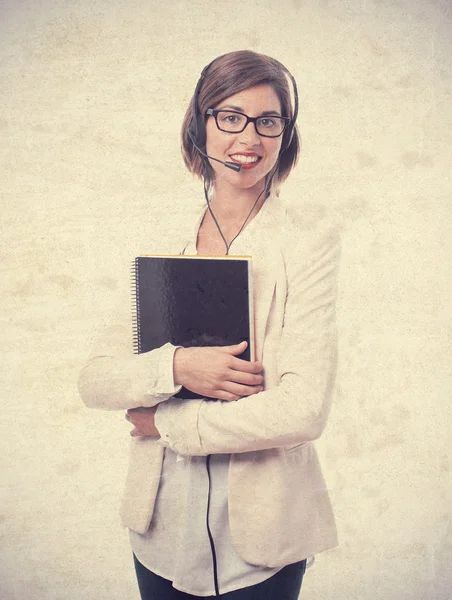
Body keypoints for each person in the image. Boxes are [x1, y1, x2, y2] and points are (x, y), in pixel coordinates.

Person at [78, 50, 341, 600]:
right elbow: (97, 380)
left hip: (263, 544)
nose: (248, 138)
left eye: (268, 121)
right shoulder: (154, 234)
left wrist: (167, 424)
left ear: (285, 135)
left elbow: (303, 409)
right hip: (159, 534)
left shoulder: (307, 243)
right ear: (200, 123)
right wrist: (178, 365)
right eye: (229, 116)